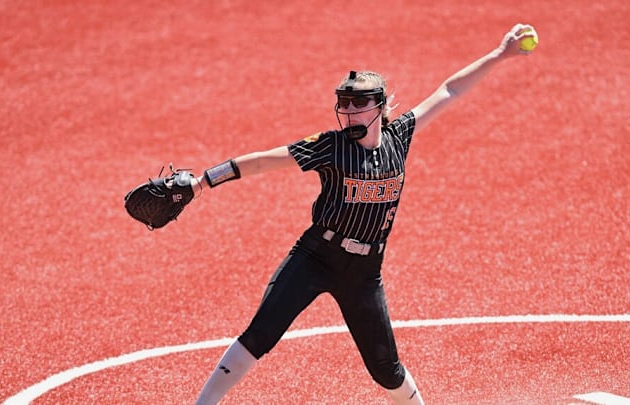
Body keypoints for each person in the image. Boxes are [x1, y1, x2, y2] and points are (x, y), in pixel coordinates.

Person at [192, 23, 538, 405]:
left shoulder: (399, 137)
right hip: (315, 257)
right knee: (261, 334)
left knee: (385, 369)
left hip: (364, 272)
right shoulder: (329, 147)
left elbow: (449, 89)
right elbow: (262, 163)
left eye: (360, 103)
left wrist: (499, 54)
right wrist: (204, 181)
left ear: (382, 106)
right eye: (344, 103)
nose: (350, 111)